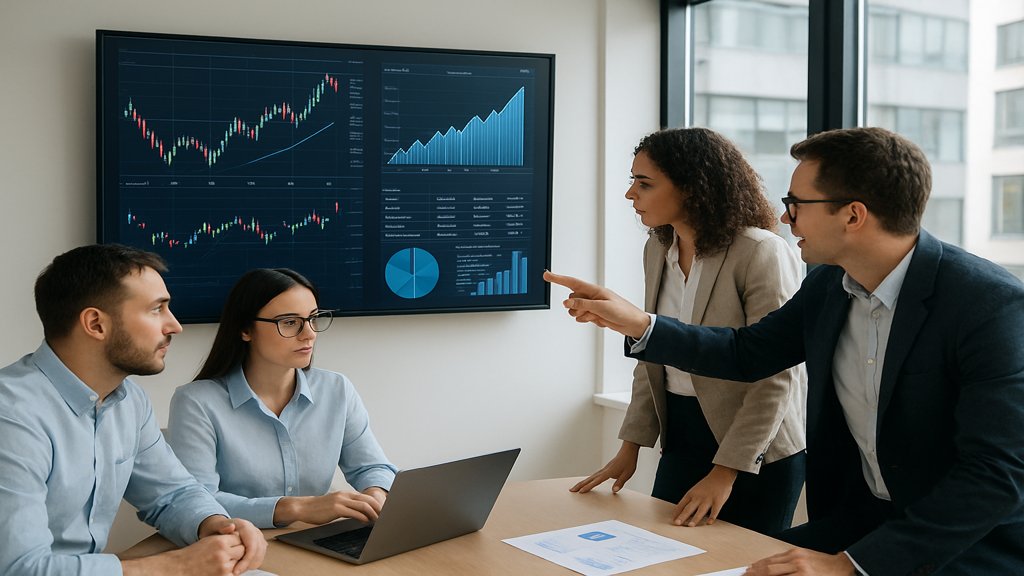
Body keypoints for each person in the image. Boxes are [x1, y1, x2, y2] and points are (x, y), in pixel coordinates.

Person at [545, 126, 1024, 575]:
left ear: (853, 215)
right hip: (861, 520)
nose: (782, 217)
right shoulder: (829, 286)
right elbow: (746, 353)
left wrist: (850, 566)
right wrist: (640, 323)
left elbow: (994, 478)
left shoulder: (987, 304)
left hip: (966, 545)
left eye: (796, 204)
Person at [571, 127, 806, 536]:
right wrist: (630, 448)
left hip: (756, 450)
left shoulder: (760, 251)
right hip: (682, 436)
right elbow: (653, 351)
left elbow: (776, 375)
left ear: (693, 187)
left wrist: (725, 472)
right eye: (632, 182)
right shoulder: (657, 249)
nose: (631, 195)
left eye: (644, 183)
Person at [0, 244, 267, 576]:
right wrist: (179, 565)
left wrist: (216, 525)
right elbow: (20, 569)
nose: (175, 326)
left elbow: (173, 493)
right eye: (157, 309)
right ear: (96, 324)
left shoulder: (130, 401)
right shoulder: (10, 416)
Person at [167, 268, 397, 529]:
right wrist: (295, 508)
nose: (309, 333)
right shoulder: (196, 403)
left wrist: (376, 495)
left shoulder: (336, 389)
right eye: (289, 322)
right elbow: (197, 502)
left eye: (313, 318)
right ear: (245, 329)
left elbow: (372, 467)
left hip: (311, 542)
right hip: (234, 546)